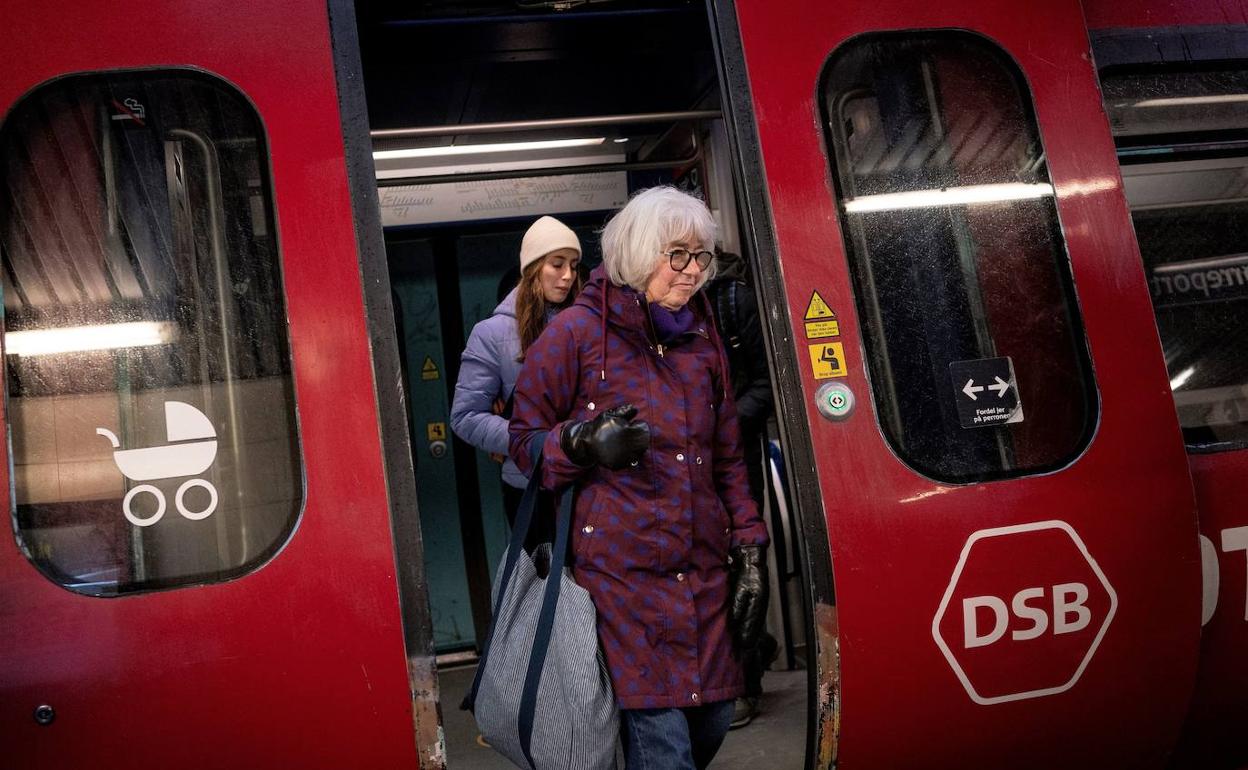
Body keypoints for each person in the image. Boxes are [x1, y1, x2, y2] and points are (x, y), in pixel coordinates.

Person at [509, 186, 770, 769]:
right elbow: (523, 442)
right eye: (678, 255)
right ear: (637, 251)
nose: (693, 271)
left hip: (701, 575)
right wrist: (580, 442)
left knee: (713, 719)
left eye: (701, 257)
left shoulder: (701, 342)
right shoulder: (575, 335)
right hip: (621, 584)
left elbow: (727, 457)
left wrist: (751, 551)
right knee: (664, 748)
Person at [450, 215, 582, 524]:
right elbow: (465, 417)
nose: (568, 276)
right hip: (531, 487)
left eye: (574, 266)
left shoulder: (584, 326)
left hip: (590, 484)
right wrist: (532, 441)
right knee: (542, 572)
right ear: (533, 268)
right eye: (557, 264)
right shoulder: (492, 334)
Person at [706, 250, 780, 730]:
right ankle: (753, 652)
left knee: (743, 560)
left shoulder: (733, 301)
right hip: (682, 458)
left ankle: (746, 682)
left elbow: (767, 382)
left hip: (733, 451)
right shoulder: (652, 305)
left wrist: (723, 424)